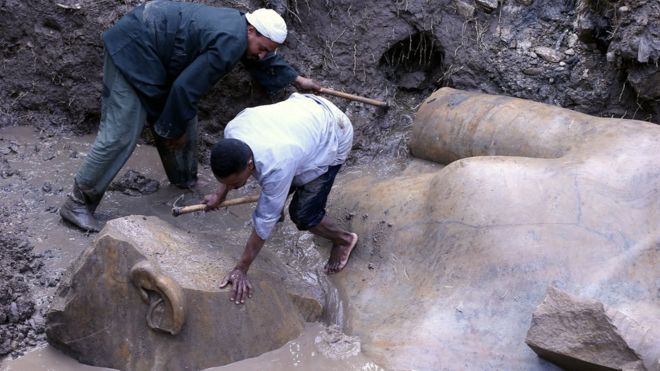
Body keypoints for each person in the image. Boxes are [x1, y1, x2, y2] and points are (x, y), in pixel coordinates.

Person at [59, 0, 320, 232]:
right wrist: (176, 129)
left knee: (183, 117)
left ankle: (184, 181)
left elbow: (257, 59)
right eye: (262, 48)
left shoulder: (240, 28)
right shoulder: (231, 41)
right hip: (133, 49)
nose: (261, 55)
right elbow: (185, 88)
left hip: (158, 57)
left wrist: (297, 79)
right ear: (251, 31)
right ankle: (77, 203)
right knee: (121, 134)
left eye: (267, 51)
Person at [204, 93, 359, 304]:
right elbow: (229, 167)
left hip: (333, 132)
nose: (232, 187)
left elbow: (262, 220)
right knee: (275, 192)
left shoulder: (276, 163)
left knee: (303, 215)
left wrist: (241, 269)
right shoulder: (233, 132)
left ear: (250, 165)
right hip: (303, 115)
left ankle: (344, 240)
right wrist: (219, 194)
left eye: (234, 184)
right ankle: (278, 206)